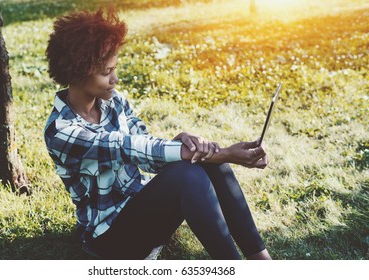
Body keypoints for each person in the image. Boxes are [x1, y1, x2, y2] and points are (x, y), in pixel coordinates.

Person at [44, 8, 271, 260]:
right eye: (106, 72)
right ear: (78, 72)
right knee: (189, 173)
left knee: (210, 166)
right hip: (109, 240)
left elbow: (146, 151)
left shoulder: (114, 102)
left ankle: (262, 261)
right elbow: (124, 146)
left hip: (140, 208)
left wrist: (181, 142)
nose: (115, 79)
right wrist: (226, 153)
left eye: (114, 69)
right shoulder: (62, 131)